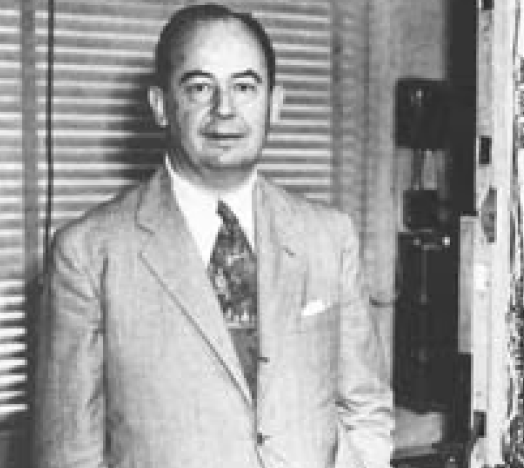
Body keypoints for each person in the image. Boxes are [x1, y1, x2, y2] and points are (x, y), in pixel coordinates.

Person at [32, 4, 393, 468]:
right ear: (161, 105)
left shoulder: (329, 237)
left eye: (244, 87)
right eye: (200, 87)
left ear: (275, 104)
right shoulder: (88, 254)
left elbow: (365, 408)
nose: (224, 109)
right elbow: (69, 456)